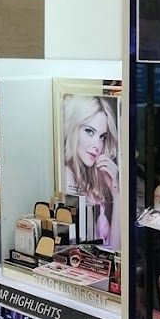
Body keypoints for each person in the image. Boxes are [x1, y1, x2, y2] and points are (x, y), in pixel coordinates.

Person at [62, 94, 120, 250]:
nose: (97, 145)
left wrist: (117, 192)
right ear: (73, 128)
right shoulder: (67, 176)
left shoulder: (89, 179)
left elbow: (115, 249)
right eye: (89, 131)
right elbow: (103, 252)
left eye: (102, 136)